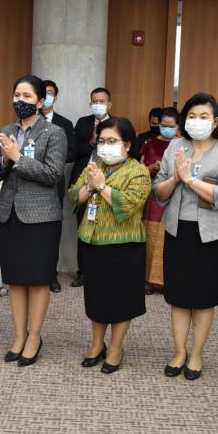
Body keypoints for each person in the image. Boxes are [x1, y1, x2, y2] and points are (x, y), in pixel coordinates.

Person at [153, 92, 218, 381]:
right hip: (178, 229)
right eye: (191, 116)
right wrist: (176, 177)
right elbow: (159, 192)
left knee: (203, 298)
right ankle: (179, 352)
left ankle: (197, 354)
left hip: (211, 235)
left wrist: (190, 180)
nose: (197, 121)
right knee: (178, 296)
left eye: (204, 116)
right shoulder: (175, 146)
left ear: (215, 122)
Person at [0, 74, 67, 367]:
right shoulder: (6, 130)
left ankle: (34, 336)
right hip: (10, 214)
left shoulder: (54, 133)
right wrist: (6, 159)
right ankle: (19, 335)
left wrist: (19, 158)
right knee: (15, 280)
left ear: (41, 102)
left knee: (37, 280)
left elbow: (53, 174)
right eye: (17, 95)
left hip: (41, 217)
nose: (20, 101)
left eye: (27, 96)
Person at [69, 117, 150, 373]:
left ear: (127, 144)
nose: (106, 146)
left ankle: (115, 348)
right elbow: (73, 194)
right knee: (96, 297)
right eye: (102, 141)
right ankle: (96, 344)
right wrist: (89, 187)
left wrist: (101, 186)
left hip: (124, 245)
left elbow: (128, 204)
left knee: (121, 299)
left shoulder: (138, 171)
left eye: (112, 141)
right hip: (93, 241)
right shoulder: (94, 166)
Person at [69, 87, 113, 287]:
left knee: (104, 226)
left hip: (106, 182)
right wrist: (91, 143)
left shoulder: (116, 124)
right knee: (82, 227)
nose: (98, 105)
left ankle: (101, 270)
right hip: (84, 181)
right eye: (94, 101)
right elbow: (73, 151)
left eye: (102, 101)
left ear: (109, 104)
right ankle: (82, 272)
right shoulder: (83, 123)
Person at [42, 79, 77, 293]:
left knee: (52, 231)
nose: (46, 96)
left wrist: (51, 158)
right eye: (43, 92)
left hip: (54, 183)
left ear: (55, 97)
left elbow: (72, 152)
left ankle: (51, 274)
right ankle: (33, 272)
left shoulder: (64, 123)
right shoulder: (25, 121)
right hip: (28, 184)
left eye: (50, 93)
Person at [140, 107, 180, 294]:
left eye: (171, 126)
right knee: (151, 237)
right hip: (154, 197)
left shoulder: (183, 145)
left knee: (170, 238)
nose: (167, 129)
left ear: (178, 126)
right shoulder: (149, 143)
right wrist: (152, 168)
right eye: (164, 125)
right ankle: (148, 281)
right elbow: (140, 171)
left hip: (176, 196)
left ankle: (168, 280)